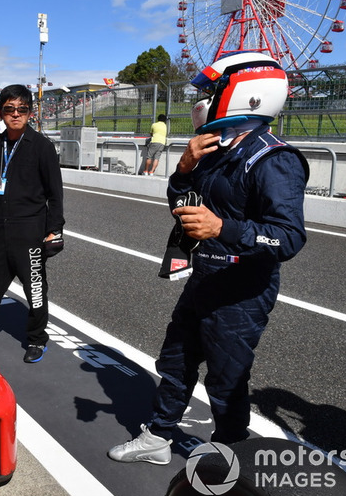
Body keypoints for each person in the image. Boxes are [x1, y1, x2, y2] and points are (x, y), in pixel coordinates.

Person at [108, 52, 309, 463]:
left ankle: (230, 457)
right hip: (205, 276)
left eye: (210, 90)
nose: (202, 99)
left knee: (226, 378)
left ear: (247, 95)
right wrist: (183, 168)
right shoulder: (214, 148)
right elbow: (182, 205)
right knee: (176, 360)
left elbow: (289, 238)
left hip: (242, 292)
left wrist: (223, 229)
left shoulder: (275, 159)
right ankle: (158, 438)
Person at [0, 84, 65, 364]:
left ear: (30, 112)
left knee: (36, 289)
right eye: (9, 109)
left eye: (22, 109)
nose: (15, 115)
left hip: (31, 231)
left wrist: (55, 229)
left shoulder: (42, 147)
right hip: (1, 228)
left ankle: (37, 339)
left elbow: (55, 193)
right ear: (1, 112)